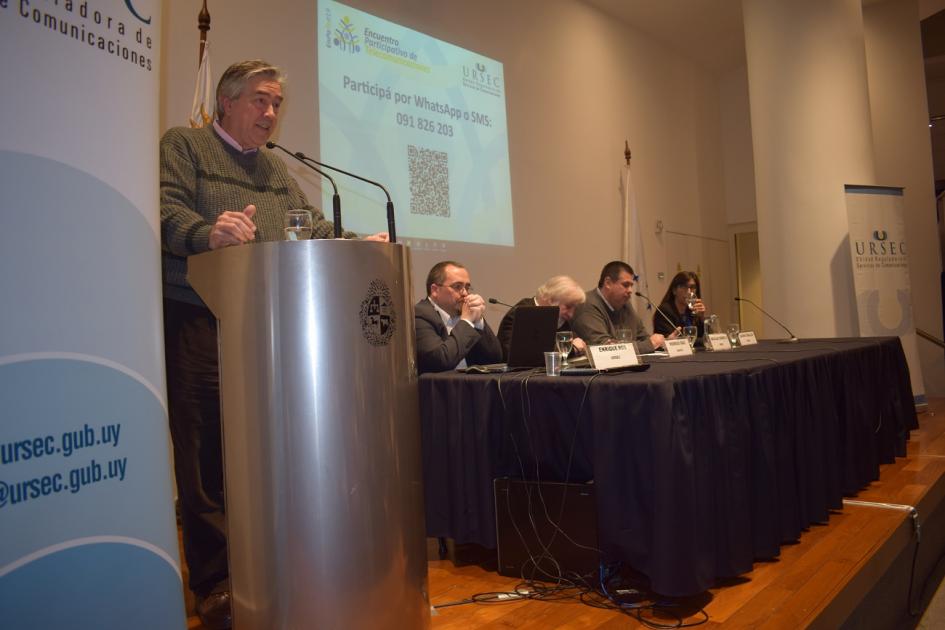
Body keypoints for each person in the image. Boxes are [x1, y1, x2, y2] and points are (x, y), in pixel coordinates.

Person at [160, 59, 386, 630]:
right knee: (207, 454)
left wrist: (363, 245)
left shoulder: (276, 171)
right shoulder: (183, 145)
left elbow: (312, 225)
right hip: (199, 317)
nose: (270, 113)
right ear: (227, 101)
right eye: (261, 100)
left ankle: (265, 569)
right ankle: (216, 585)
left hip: (266, 324)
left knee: (258, 454)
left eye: (277, 103)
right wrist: (207, 232)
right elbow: (165, 212)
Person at [415, 261, 503, 373]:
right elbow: (440, 361)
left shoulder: (465, 313)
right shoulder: (420, 315)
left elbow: (495, 360)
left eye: (467, 287)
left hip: (471, 386)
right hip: (439, 388)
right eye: (457, 287)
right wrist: (466, 321)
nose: (465, 293)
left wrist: (478, 321)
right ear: (435, 290)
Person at [571, 260, 669, 353]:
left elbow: (643, 337)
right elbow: (605, 349)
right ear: (608, 283)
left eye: (631, 285)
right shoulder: (587, 305)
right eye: (625, 285)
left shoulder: (625, 304)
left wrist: (664, 343)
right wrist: (649, 345)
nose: (630, 290)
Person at [496, 275, 587, 360]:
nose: (571, 315)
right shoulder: (520, 314)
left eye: (575, 308)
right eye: (568, 307)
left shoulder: (561, 318)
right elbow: (518, 356)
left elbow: (574, 343)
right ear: (550, 299)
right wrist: (571, 349)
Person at [653, 271, 707, 338]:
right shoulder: (664, 312)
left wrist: (702, 318)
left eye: (692, 287)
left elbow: (706, 339)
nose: (689, 291)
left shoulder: (693, 311)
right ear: (674, 290)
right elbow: (667, 341)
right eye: (684, 287)